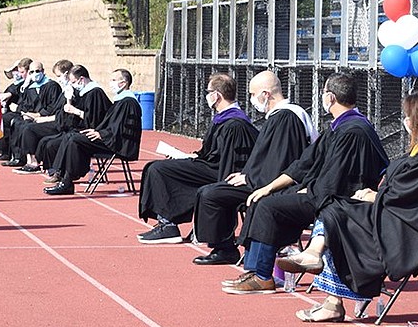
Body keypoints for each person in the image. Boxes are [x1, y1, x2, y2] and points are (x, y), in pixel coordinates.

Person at [277, 91, 418, 321]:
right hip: (398, 214)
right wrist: (376, 196)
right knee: (334, 208)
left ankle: (324, 283)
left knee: (336, 214)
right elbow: (405, 191)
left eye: (408, 116)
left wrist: (375, 198)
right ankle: (321, 273)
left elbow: (411, 198)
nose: (405, 122)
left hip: (412, 227)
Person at [223, 72, 389, 294]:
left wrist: (307, 191)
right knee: (263, 197)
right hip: (322, 191)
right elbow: (304, 163)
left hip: (338, 200)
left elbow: (337, 179)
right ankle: (255, 270)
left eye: (323, 94)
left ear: (330, 97)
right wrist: (269, 187)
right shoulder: (338, 126)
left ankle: (263, 276)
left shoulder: (354, 131)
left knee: (268, 207)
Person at [191, 70, 316, 264]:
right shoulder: (279, 116)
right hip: (263, 178)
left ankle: (225, 249)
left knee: (212, 195)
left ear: (266, 94)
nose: (250, 99)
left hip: (276, 184)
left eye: (252, 94)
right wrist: (246, 174)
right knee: (211, 190)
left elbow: (282, 160)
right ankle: (224, 247)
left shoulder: (286, 118)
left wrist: (249, 178)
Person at [136, 73, 258, 244]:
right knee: (155, 167)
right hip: (212, 166)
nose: (207, 96)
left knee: (159, 170)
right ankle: (167, 222)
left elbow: (229, 162)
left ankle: (169, 224)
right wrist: (190, 156)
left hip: (221, 173)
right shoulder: (222, 119)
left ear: (217, 95)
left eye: (209, 92)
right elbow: (212, 153)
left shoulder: (235, 124)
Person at [43, 69, 142, 196]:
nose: (110, 83)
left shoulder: (128, 102)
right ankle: (63, 177)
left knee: (75, 140)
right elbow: (111, 124)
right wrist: (97, 131)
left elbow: (119, 129)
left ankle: (67, 181)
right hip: (110, 138)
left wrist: (102, 134)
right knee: (71, 136)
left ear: (123, 83)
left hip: (120, 144)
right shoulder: (121, 100)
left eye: (113, 80)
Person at [15, 64, 110, 175]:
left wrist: (75, 110)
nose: (72, 85)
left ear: (82, 79)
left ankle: (64, 176)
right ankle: (54, 172)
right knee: (45, 141)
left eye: (73, 82)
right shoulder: (78, 91)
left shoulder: (95, 93)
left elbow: (94, 119)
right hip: (70, 126)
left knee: (58, 142)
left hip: (88, 131)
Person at [2, 60, 63, 168]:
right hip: (32, 115)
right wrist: (25, 112)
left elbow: (52, 106)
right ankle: (19, 157)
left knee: (27, 127)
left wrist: (39, 115)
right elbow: (27, 105)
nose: (35, 74)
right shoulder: (31, 87)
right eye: (32, 72)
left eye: (37, 71)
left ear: (43, 71)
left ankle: (33, 160)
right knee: (17, 122)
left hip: (45, 117)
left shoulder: (51, 86)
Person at [0, 58, 33, 161]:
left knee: (8, 121)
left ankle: (14, 155)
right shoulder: (19, 84)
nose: (17, 74)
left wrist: (18, 108)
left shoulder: (30, 84)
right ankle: (3, 150)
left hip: (23, 113)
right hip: (15, 110)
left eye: (20, 71)